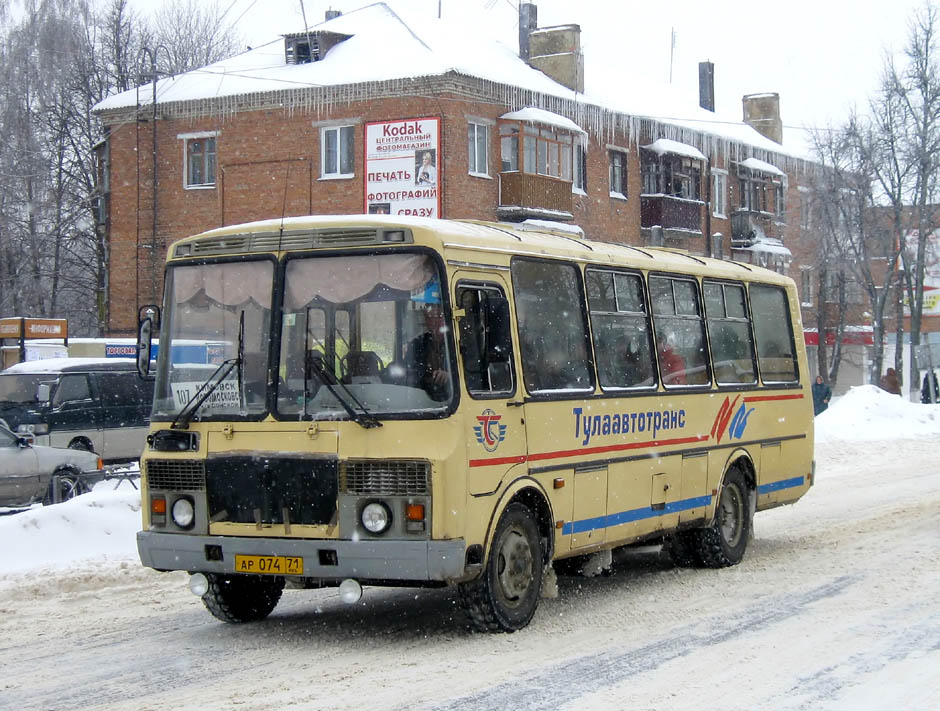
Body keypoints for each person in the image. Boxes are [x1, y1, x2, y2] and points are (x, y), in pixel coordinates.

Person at [405, 302, 450, 401]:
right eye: (430, 317)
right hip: (422, 399)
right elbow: (409, 374)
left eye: (439, 316)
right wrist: (427, 377)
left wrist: (450, 376)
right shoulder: (417, 344)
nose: (435, 322)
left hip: (453, 398)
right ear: (425, 320)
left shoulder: (457, 342)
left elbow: (471, 375)